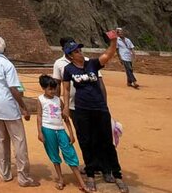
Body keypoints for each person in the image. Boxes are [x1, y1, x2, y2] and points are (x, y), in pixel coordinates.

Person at [61, 34, 129, 192]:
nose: (80, 52)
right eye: (76, 51)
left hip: (99, 108)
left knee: (107, 142)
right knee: (86, 142)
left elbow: (108, 55)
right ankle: (90, 174)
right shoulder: (68, 69)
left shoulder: (91, 64)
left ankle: (116, 174)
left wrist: (113, 41)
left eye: (79, 49)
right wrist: (65, 106)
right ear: (70, 55)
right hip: (82, 110)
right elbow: (65, 88)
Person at [0, 36, 40, 187]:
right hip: (9, 107)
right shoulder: (8, 65)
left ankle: (5, 173)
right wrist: (23, 107)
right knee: (19, 141)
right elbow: (13, 88)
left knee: (1, 140)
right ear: (5, 48)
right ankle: (23, 177)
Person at [37, 75, 87, 191]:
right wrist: (40, 132)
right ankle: (60, 178)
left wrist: (71, 133)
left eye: (54, 89)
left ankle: (81, 182)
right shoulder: (40, 100)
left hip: (60, 129)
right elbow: (39, 117)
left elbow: (66, 117)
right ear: (43, 88)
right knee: (54, 155)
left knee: (70, 153)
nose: (52, 91)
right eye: (50, 89)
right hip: (47, 129)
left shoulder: (58, 100)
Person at [54, 37, 107, 119]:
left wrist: (104, 103)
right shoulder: (59, 64)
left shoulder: (89, 62)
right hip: (73, 106)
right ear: (64, 50)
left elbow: (100, 82)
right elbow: (58, 84)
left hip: (94, 104)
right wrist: (59, 104)